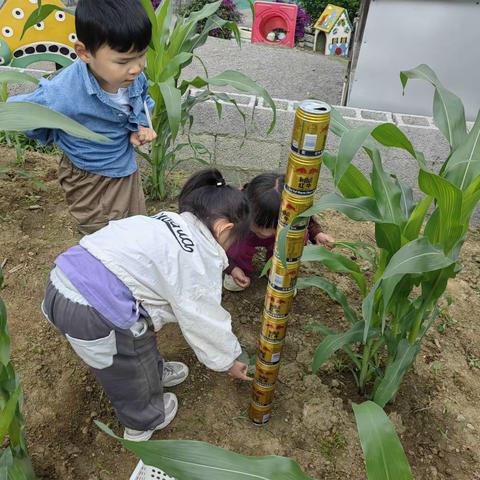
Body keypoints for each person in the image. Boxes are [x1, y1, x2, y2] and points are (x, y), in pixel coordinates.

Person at [41, 169, 252, 442]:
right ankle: (143, 422)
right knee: (129, 367)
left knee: (142, 336)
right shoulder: (197, 261)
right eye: (235, 242)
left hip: (63, 278)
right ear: (225, 229)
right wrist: (229, 360)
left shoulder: (169, 221)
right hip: (93, 311)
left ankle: (154, 372)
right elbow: (204, 320)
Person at [9, 0, 157, 234]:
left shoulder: (133, 78)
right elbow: (19, 112)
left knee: (134, 229)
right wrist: (56, 134)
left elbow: (143, 102)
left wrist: (139, 126)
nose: (137, 68)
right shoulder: (64, 92)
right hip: (89, 177)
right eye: (124, 60)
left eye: (141, 55)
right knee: (101, 238)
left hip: (125, 169)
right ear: (84, 52)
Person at [224, 172, 334, 291]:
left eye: (275, 226)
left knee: (295, 240)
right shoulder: (235, 209)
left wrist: (317, 233)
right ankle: (239, 269)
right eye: (259, 224)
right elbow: (217, 245)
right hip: (245, 235)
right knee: (236, 248)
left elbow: (306, 219)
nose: (265, 233)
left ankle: (276, 270)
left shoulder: (292, 209)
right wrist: (232, 268)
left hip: (278, 238)